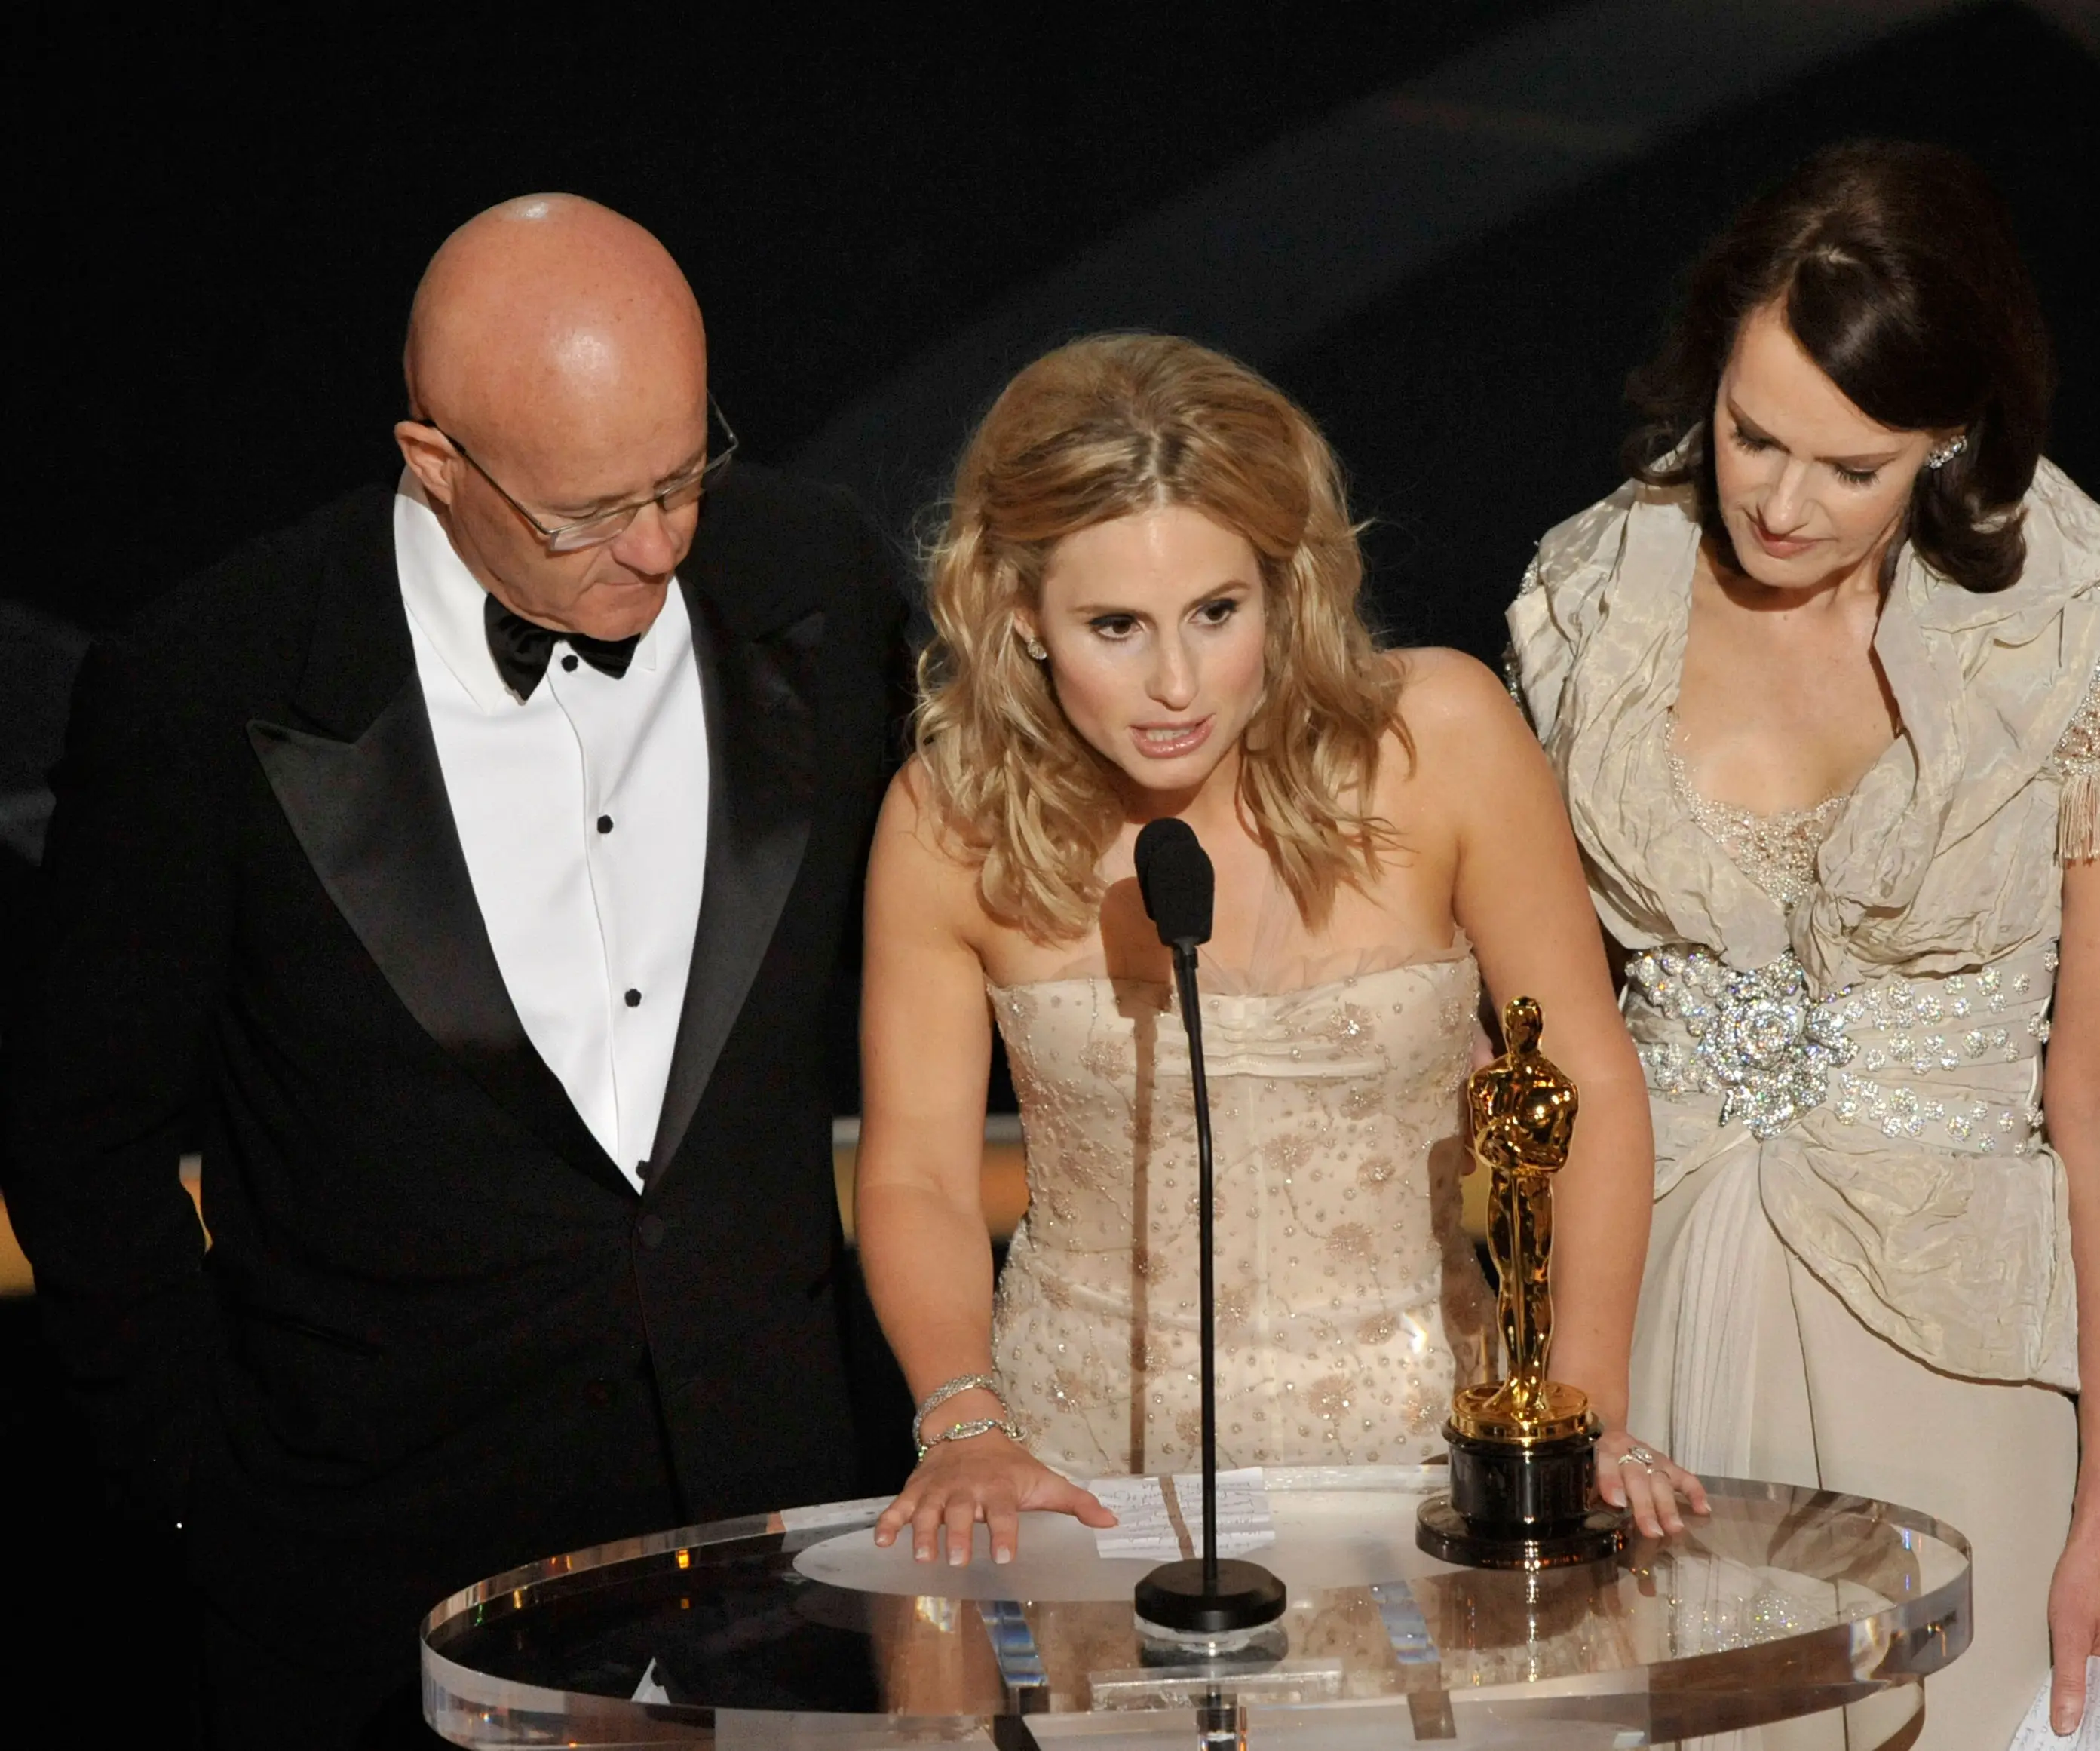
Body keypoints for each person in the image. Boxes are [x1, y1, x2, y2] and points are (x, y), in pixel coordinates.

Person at [2, 195, 903, 1746]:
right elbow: (80, 1137)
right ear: (435, 462)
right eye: (590, 513)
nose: (661, 542)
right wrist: (200, 1503)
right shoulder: (210, 683)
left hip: (793, 1554)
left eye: (687, 474)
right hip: (374, 1589)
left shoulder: (822, 579)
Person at [1508, 141, 2100, 1743]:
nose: (1775, 499)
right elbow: (1533, 1036)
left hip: (1950, 1347)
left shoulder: (2091, 626)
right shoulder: (1591, 590)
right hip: (1653, 1336)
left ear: (1953, 442)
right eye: (1752, 433)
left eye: (1853, 467)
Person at [854, 333, 1701, 1570]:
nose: (1177, 682)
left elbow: (1586, 1080)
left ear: (1283, 585)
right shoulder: (950, 816)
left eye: (1216, 611)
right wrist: (963, 1419)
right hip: (1085, 1470)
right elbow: (920, 1174)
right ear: (1020, 614)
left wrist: (1583, 1410)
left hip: (1421, 1455)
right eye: (1114, 626)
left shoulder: (1443, 737)